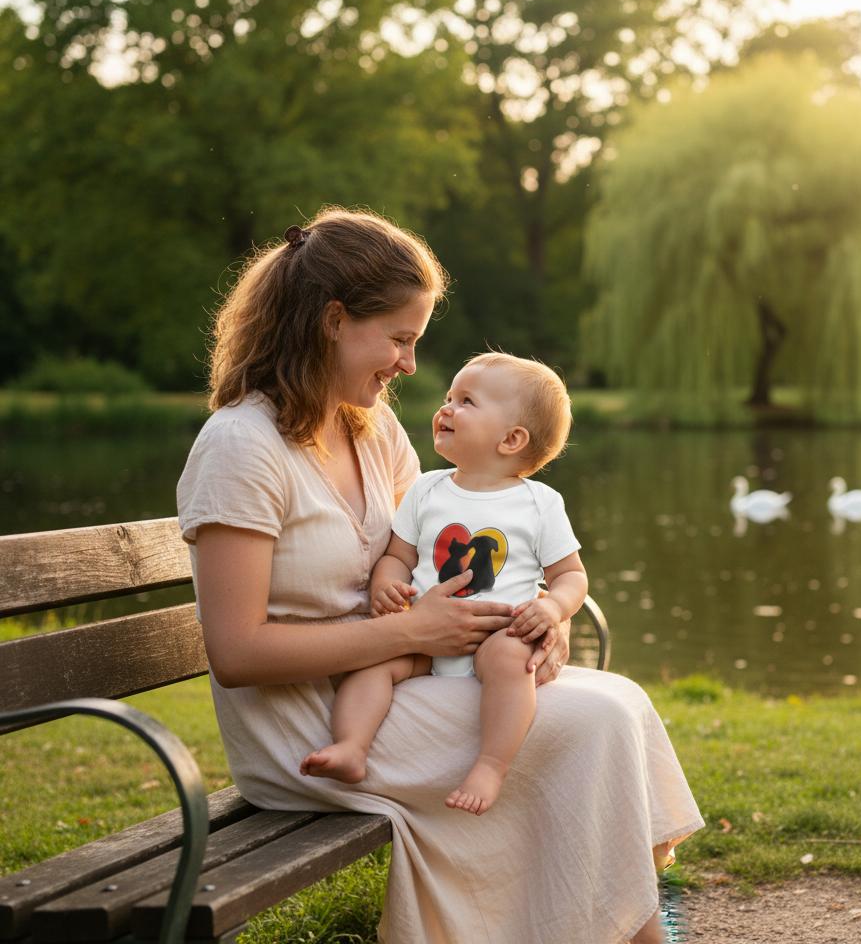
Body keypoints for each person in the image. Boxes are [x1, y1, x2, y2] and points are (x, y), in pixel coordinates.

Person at [176, 206, 704, 944]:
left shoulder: (372, 428)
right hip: (308, 723)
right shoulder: (242, 447)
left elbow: (427, 560)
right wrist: (411, 629)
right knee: (590, 724)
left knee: (618, 701)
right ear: (333, 320)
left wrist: (534, 627)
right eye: (398, 339)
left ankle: (621, 928)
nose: (409, 366)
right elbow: (237, 655)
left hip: (404, 677)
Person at [300, 352, 588, 817]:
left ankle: (491, 766)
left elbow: (571, 576)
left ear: (512, 439)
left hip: (495, 632)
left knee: (512, 661)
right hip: (422, 634)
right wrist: (387, 586)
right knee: (373, 664)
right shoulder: (427, 490)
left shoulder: (539, 504)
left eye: (467, 401)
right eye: (448, 397)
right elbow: (399, 556)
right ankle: (352, 746)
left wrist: (554, 609)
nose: (446, 408)